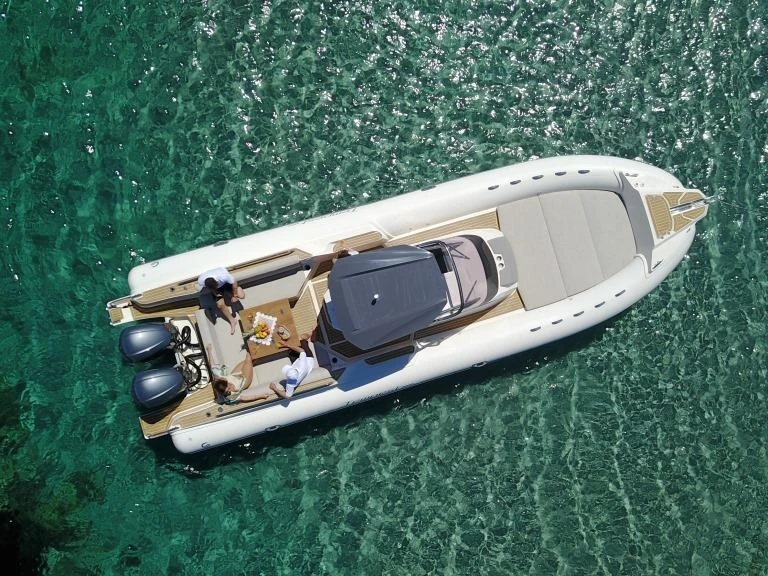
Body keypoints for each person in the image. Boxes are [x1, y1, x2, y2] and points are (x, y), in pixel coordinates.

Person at [197, 267, 244, 335]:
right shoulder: (201, 281)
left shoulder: (223, 277)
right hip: (217, 289)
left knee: (238, 297)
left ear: (216, 281)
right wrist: (215, 293)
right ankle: (232, 321)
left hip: (225, 285)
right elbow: (210, 288)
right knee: (220, 304)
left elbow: (234, 282)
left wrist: (234, 295)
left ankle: (239, 290)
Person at [269, 335, 316, 400]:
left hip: (298, 362)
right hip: (308, 359)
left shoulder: (291, 382)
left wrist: (275, 388)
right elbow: (301, 351)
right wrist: (286, 345)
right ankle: (310, 337)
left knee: (290, 351)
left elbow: (288, 396)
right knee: (302, 340)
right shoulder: (301, 367)